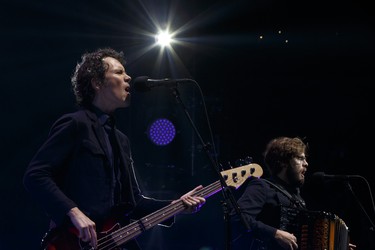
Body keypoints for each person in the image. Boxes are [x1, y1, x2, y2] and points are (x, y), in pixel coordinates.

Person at [23, 47, 206, 250]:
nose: (128, 77)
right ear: (97, 82)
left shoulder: (121, 140)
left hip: (114, 242)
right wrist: (74, 213)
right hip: (73, 242)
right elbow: (35, 175)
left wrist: (174, 206)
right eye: (119, 72)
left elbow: (134, 202)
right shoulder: (76, 124)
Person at [230, 136, 356, 250]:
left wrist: (335, 245)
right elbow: (237, 217)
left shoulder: (298, 198)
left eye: (305, 159)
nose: (306, 164)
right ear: (284, 162)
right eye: (301, 158)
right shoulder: (262, 186)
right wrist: (275, 233)